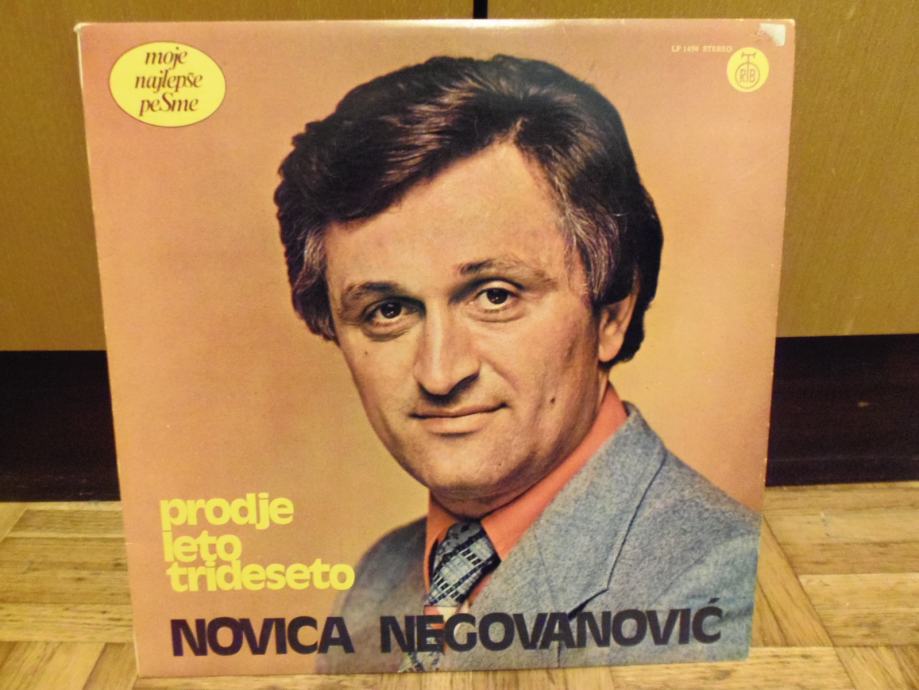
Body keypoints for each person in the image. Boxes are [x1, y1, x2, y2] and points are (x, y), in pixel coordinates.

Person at [275, 55, 759, 673]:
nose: (440, 373)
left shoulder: (716, 586)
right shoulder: (378, 579)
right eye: (388, 310)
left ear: (611, 314)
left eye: (495, 296)